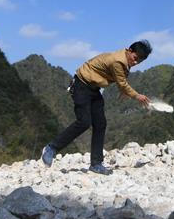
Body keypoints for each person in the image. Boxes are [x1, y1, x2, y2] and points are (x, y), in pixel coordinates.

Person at [41, 40, 152, 174]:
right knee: (84, 122)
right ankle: (51, 148)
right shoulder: (118, 61)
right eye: (135, 58)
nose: (135, 62)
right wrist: (136, 95)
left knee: (100, 124)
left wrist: (124, 90)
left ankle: (96, 164)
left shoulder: (125, 61)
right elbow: (122, 82)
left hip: (93, 89)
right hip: (81, 85)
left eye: (139, 61)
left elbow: (121, 79)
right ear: (129, 50)